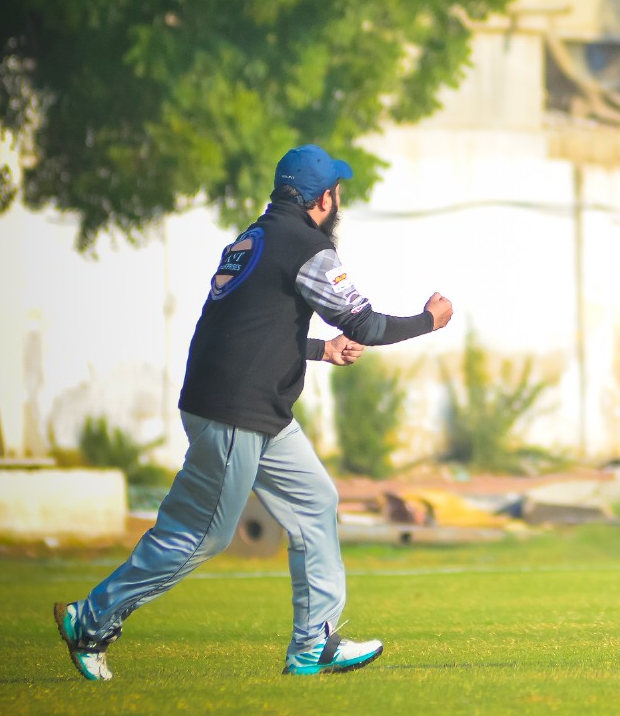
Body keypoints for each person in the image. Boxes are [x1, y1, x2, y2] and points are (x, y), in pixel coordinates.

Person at [54, 145, 454, 680]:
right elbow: (365, 324)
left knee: (315, 500)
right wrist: (429, 320)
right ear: (323, 199)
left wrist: (320, 350)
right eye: (337, 192)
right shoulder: (307, 246)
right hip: (236, 412)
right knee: (202, 535)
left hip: (247, 407)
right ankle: (91, 620)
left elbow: (248, 329)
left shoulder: (252, 240)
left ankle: (313, 644)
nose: (338, 202)